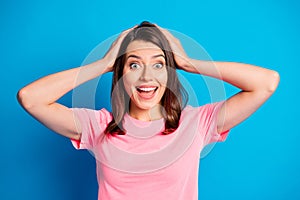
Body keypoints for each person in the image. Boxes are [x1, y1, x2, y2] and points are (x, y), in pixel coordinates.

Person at [17, 21, 279, 199]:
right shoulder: (99, 126)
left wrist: (188, 62)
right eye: (133, 65)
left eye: (157, 65)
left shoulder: (196, 123)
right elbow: (30, 98)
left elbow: (266, 83)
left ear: (169, 72)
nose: (146, 77)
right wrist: (104, 63)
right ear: (120, 75)